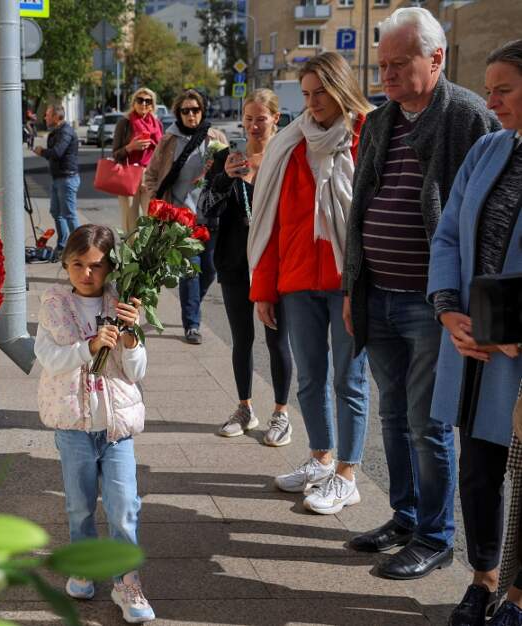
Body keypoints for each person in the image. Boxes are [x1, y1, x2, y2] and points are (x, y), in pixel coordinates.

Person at [341, 7, 501, 581]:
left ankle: (436, 536)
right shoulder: (383, 118)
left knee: (428, 422)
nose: (384, 74)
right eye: (380, 64)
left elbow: (487, 218)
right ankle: (405, 517)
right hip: (378, 291)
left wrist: (467, 303)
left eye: (397, 62)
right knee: (392, 414)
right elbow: (361, 207)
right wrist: (352, 286)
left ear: (435, 58)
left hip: (435, 305)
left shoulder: (467, 116)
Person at [247, 52, 371, 515]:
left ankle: (347, 474)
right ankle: (321, 459)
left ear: (340, 88)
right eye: (306, 93)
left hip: (347, 281)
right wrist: (263, 288)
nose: (314, 102)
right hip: (297, 280)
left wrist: (362, 285)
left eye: (321, 92)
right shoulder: (289, 144)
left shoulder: (365, 137)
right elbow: (269, 222)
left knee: (349, 379)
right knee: (311, 378)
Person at [424, 40, 522, 625]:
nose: (491, 100)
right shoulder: (489, 149)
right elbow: (449, 237)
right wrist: (447, 310)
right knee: (479, 472)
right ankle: (484, 581)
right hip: (472, 345)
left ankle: (517, 598)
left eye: (503, 88)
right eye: (487, 88)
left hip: (514, 347)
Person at [34, 224, 155, 624]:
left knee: (124, 507)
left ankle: (127, 580)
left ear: (111, 267)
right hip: (74, 425)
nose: (87, 274)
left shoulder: (122, 303)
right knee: (80, 505)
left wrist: (131, 338)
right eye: (78, 264)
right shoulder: (53, 303)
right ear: (66, 264)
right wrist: (87, 347)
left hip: (117, 426)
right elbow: (49, 358)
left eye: (97, 266)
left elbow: (136, 371)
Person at [202, 89, 294, 446]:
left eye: (261, 118)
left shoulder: (286, 157)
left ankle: (281, 413)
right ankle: (245, 408)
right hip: (235, 261)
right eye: (249, 118)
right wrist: (224, 179)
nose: (254, 125)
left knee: (277, 339)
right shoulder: (227, 157)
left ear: (275, 117)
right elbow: (205, 209)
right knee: (241, 339)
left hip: (278, 262)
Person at [143, 89, 228, 345]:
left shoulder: (216, 138)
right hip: (182, 219)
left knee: (210, 270)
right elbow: (151, 174)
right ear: (178, 113)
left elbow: (229, 175)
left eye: (195, 110)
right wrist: (157, 201)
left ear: (202, 111)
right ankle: (192, 324)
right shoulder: (169, 140)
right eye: (185, 111)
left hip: (211, 217)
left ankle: (193, 306)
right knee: (190, 272)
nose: (191, 115)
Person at [111, 88, 164, 234]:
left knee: (152, 219)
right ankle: (130, 255)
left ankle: (148, 255)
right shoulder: (125, 123)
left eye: (148, 101)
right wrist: (130, 147)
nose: (144, 104)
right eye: (140, 100)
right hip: (129, 173)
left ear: (153, 105)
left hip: (151, 176)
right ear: (134, 103)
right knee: (130, 221)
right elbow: (115, 154)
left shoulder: (158, 124)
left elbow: (162, 153)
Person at [34, 104, 80, 258]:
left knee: (69, 214)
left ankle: (81, 248)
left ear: (56, 117)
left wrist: (42, 152)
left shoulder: (65, 131)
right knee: (56, 212)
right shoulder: (56, 132)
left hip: (67, 178)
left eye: (47, 114)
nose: (45, 117)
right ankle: (62, 246)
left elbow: (58, 152)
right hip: (58, 178)